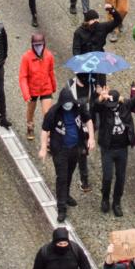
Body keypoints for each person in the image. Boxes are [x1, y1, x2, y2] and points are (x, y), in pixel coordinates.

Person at [40, 82, 93, 222]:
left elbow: (88, 120)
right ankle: (61, 207)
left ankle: (66, 194)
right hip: (60, 150)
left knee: (69, 173)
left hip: (75, 148)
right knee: (61, 177)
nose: (68, 105)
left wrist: (91, 138)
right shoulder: (53, 112)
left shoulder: (78, 108)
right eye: (66, 103)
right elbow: (45, 130)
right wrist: (43, 148)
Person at [94, 83, 135, 217]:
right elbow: (92, 109)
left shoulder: (125, 106)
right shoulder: (104, 108)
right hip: (108, 148)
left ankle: (116, 202)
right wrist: (100, 99)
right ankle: (105, 199)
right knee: (107, 176)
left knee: (121, 177)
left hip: (122, 148)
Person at [18, 31, 57, 141]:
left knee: (48, 113)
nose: (38, 47)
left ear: (44, 44)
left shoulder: (48, 55)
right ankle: (30, 125)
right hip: (32, 89)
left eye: (40, 45)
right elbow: (23, 77)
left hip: (46, 87)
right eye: (36, 45)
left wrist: (53, 86)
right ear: (32, 45)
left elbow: (51, 72)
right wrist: (26, 94)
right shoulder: (26, 57)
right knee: (31, 109)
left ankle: (49, 138)